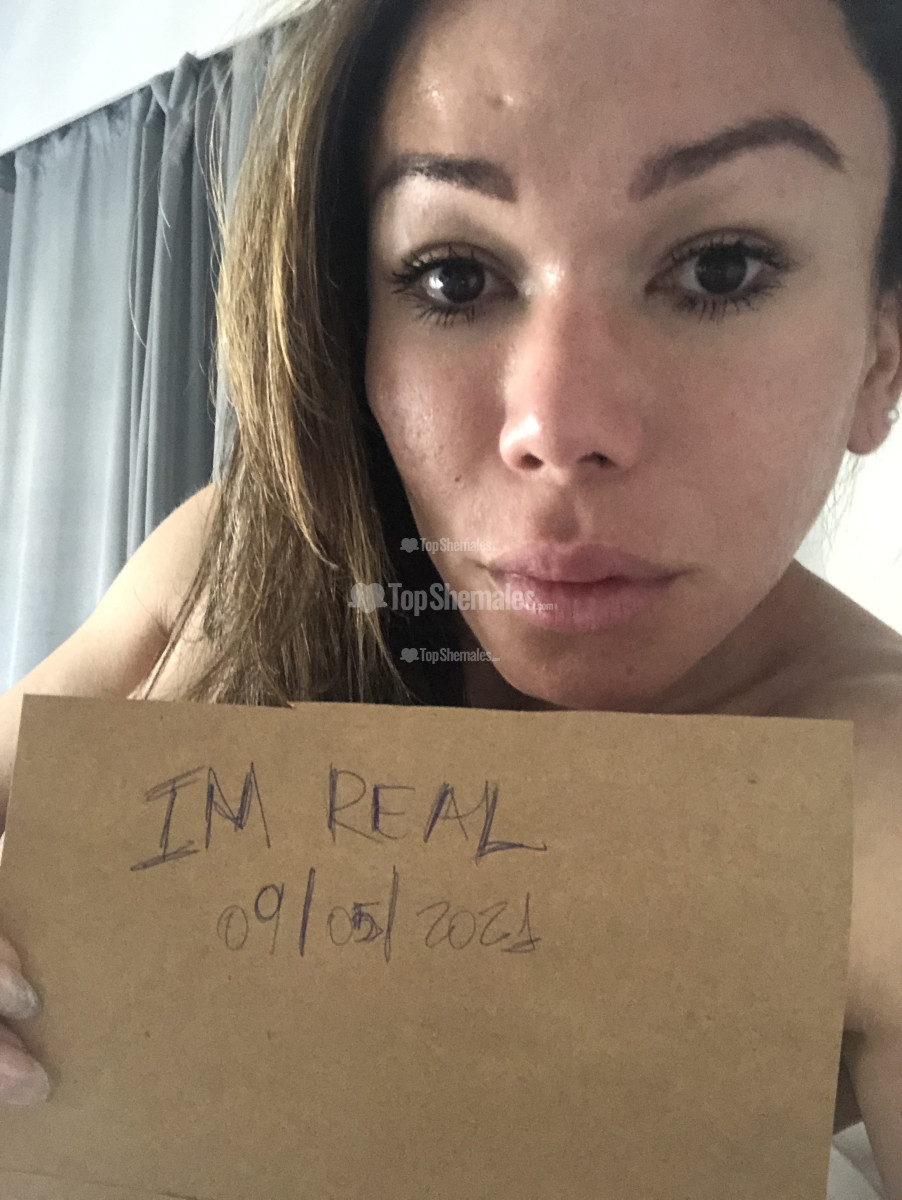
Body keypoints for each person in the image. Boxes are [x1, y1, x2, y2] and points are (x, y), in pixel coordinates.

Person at [1, 0, 901, 1185]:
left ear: (879, 357)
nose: (555, 428)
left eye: (718, 267)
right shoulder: (231, 564)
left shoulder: (876, 810)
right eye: (454, 274)